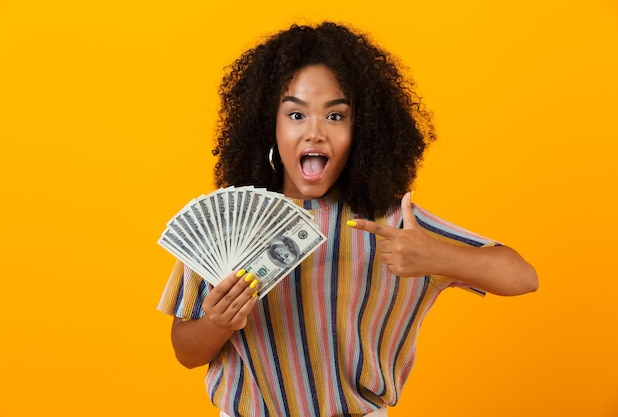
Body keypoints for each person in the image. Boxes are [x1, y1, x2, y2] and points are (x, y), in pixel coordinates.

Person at [157, 21, 538, 417]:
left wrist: (439, 257)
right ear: (268, 124)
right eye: (296, 115)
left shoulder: (394, 224)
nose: (315, 133)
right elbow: (185, 351)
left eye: (335, 117)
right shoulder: (224, 224)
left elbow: (524, 277)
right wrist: (218, 322)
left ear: (364, 130)